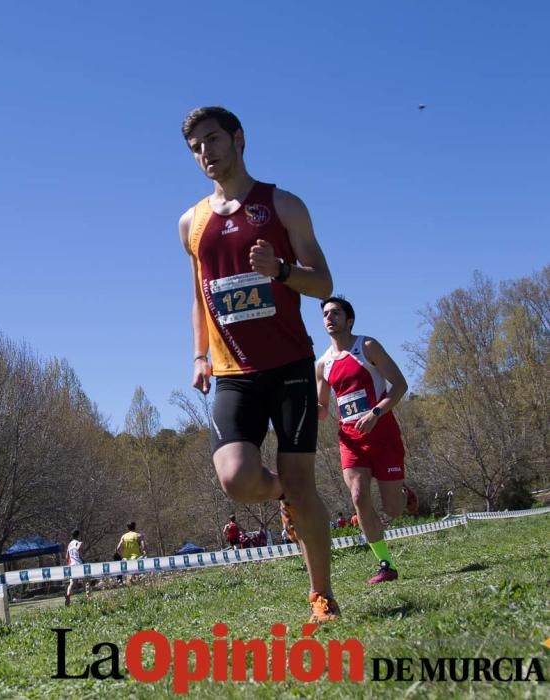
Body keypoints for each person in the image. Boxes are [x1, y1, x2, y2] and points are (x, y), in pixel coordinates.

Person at [178, 106, 338, 623]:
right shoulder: (191, 223)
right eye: (196, 146)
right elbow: (200, 296)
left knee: (304, 480)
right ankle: (283, 495)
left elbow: (324, 284)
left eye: (213, 139)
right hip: (232, 371)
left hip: (290, 363)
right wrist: (200, 355)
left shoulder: (284, 204)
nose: (206, 152)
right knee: (235, 477)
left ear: (238, 139)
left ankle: (322, 596)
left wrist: (282, 269)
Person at [316, 296, 420, 584]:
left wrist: (375, 412)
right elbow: (323, 410)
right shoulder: (322, 364)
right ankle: (385, 564)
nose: (329, 318)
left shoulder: (367, 347)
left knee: (393, 511)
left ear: (349, 320)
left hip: (382, 432)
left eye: (335, 313)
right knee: (359, 496)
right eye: (325, 314)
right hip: (350, 439)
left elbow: (400, 385)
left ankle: (404, 494)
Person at [65, 529, 91, 606]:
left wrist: (70, 562)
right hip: (79, 565)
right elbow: (78, 548)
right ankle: (88, 598)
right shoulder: (78, 542)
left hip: (71, 565)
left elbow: (67, 556)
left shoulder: (69, 544)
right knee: (86, 581)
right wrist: (80, 544)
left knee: (72, 583)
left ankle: (68, 597)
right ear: (78, 535)